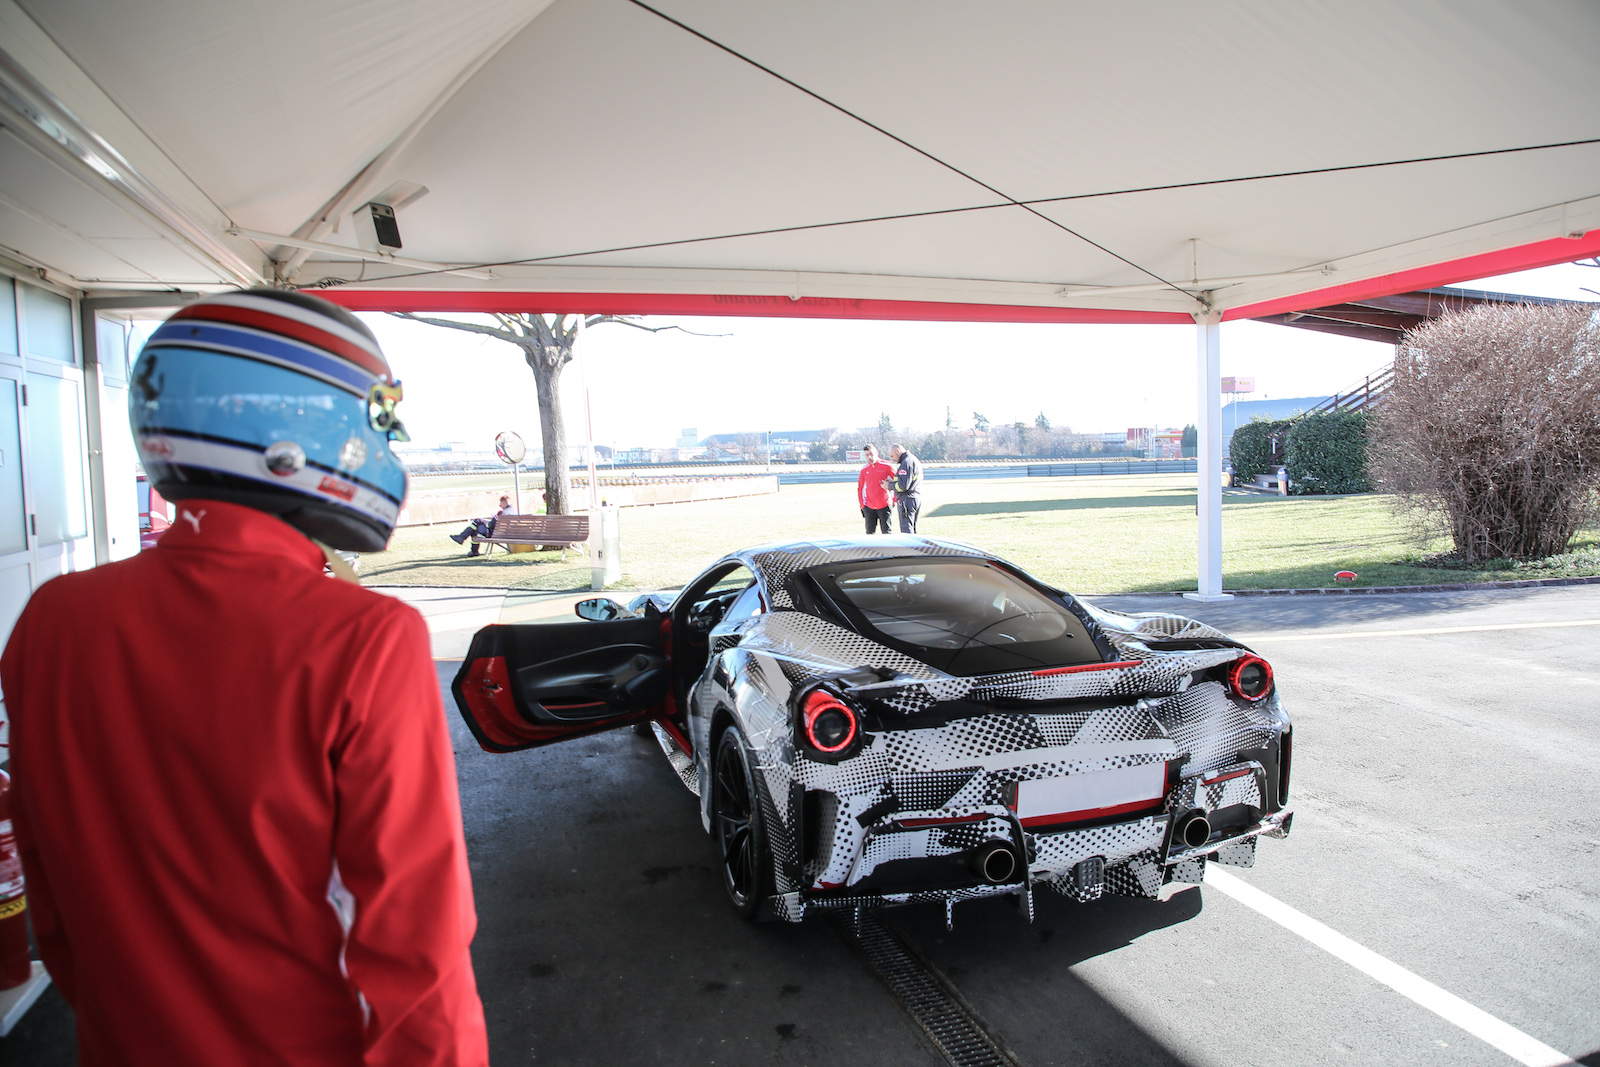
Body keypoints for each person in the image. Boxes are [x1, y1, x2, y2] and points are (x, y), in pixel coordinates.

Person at [0, 289, 488, 1066]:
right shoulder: (366, 638)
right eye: (375, 415)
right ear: (284, 437)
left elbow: (56, 907)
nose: (389, 439)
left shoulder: (50, 621)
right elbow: (417, 953)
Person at [856, 444, 896, 533]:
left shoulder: (887, 466)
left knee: (887, 532)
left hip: (884, 505)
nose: (869, 456)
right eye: (866, 455)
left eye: (871, 453)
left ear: (876, 453)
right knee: (870, 533)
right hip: (869, 506)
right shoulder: (864, 470)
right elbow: (860, 489)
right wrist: (863, 505)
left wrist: (894, 500)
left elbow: (898, 482)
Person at [889, 442, 924, 533]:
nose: (892, 459)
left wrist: (889, 486)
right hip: (914, 498)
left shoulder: (906, 462)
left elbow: (903, 486)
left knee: (906, 530)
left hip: (906, 499)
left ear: (898, 451)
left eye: (892, 456)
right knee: (912, 528)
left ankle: (909, 547)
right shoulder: (913, 460)